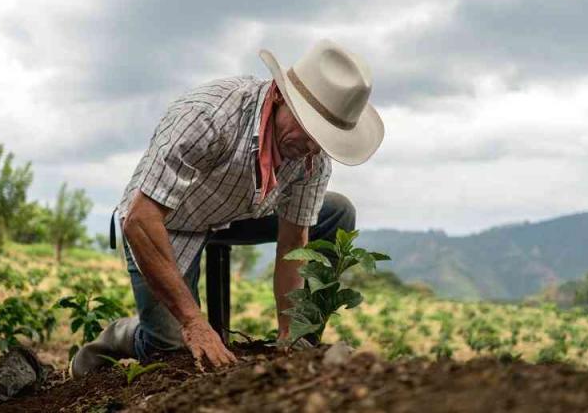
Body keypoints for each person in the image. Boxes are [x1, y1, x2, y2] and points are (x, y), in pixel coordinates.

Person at [70, 39, 385, 377]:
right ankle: (121, 335)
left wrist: (289, 336)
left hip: (236, 212)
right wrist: (193, 322)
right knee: (172, 348)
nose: (311, 148)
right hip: (167, 220)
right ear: (280, 96)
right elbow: (140, 219)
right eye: (309, 131)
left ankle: (303, 348)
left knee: (337, 211)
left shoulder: (312, 156)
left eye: (322, 140)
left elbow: (294, 243)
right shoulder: (209, 116)